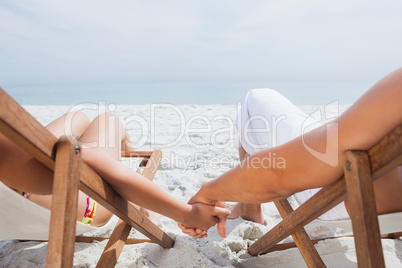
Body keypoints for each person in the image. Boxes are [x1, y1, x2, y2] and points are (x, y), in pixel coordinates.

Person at [180, 67, 402, 238]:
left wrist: (209, 193)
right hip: (391, 208)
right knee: (329, 133)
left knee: (256, 99)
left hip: (351, 200)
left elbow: (279, 174)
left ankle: (250, 209)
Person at [0, 110, 230, 233]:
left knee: (77, 119)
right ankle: (126, 148)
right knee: (107, 120)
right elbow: (82, 160)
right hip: (86, 208)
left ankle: (122, 147)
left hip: (18, 203)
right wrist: (187, 214)